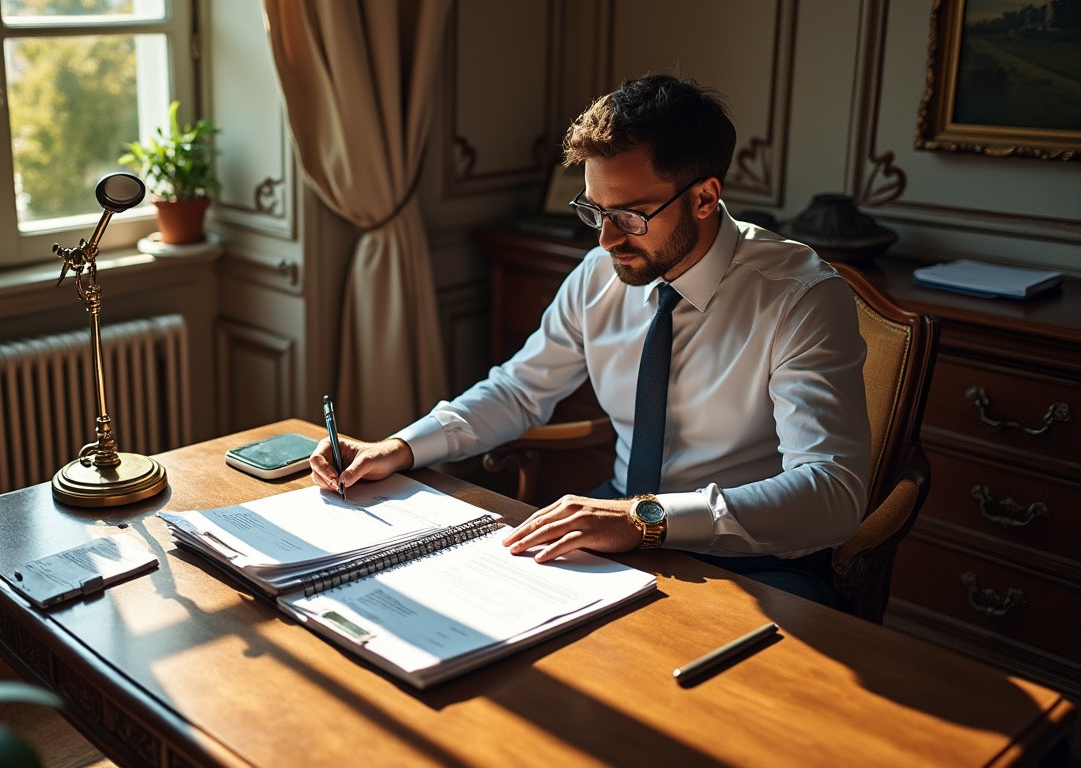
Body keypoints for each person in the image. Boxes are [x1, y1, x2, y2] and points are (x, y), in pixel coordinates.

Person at [311, 73, 870, 607]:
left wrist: (646, 519)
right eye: (594, 211)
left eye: (628, 215)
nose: (605, 239)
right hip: (620, 521)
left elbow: (831, 492)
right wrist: (401, 448)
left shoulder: (801, 297)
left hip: (758, 559)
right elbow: (519, 390)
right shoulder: (599, 275)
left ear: (704, 197)